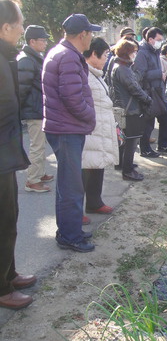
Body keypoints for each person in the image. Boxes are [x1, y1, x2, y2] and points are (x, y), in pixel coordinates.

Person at [42, 13, 100, 252]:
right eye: (90, 33)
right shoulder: (67, 56)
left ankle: (70, 230)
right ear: (82, 35)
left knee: (68, 184)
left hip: (63, 127)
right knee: (71, 186)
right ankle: (70, 235)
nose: (92, 38)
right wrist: (90, 115)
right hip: (66, 128)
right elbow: (72, 97)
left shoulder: (63, 52)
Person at [0, 0, 36, 310]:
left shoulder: (6, 56)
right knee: (2, 221)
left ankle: (8, 274)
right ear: (5, 27)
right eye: (19, 25)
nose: (22, 30)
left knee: (10, 218)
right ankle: (1, 288)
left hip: (6, 153)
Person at [81, 37, 119, 216]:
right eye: (104, 55)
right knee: (85, 170)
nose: (106, 59)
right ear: (93, 54)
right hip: (90, 131)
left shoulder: (95, 73)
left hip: (100, 129)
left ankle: (95, 202)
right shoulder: (84, 75)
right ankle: (78, 210)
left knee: (98, 166)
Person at [17, 25, 53, 192]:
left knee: (40, 145)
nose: (45, 43)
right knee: (37, 146)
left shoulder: (33, 57)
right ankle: (32, 180)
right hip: (34, 110)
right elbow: (21, 89)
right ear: (32, 41)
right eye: (43, 40)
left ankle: (40, 173)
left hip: (38, 108)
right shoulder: (26, 59)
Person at [110, 38, 152, 180]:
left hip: (123, 107)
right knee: (131, 140)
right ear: (127, 52)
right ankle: (127, 171)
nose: (135, 54)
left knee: (124, 138)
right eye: (134, 52)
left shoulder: (118, 66)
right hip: (130, 109)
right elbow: (134, 88)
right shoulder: (123, 69)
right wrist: (147, 99)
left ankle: (122, 164)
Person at [134, 27, 167, 157]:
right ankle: (145, 149)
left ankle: (163, 145)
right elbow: (139, 74)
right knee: (148, 122)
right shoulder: (142, 53)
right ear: (150, 39)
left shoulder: (155, 51)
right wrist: (159, 74)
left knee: (166, 117)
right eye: (158, 40)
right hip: (149, 91)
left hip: (158, 90)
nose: (160, 42)